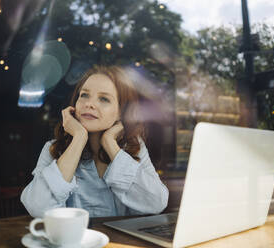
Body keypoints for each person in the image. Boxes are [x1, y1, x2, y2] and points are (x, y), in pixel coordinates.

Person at [21, 65, 169, 218]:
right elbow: (37, 208)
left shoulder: (134, 148)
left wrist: (110, 144)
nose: (89, 104)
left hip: (119, 242)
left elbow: (156, 203)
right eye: (84, 95)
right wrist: (79, 138)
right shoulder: (53, 149)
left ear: (121, 112)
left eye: (104, 99)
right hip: (72, 241)